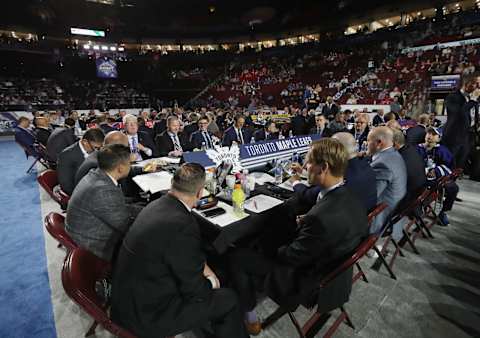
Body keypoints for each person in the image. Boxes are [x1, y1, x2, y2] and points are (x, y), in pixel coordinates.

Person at [229, 139, 368, 335]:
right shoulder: (351, 197)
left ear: (324, 167)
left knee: (238, 256)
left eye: (309, 162)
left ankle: (249, 315)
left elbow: (288, 256)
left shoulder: (321, 218)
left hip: (303, 282)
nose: (305, 167)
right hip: (334, 272)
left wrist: (273, 244)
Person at [111, 163, 248, 338]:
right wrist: (212, 283)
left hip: (130, 296)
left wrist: (203, 267)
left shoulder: (157, 205)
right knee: (228, 299)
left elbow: (178, 255)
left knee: (214, 272)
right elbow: (195, 291)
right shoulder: (183, 225)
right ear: (200, 193)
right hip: (147, 315)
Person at [65, 144, 142, 261]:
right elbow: (126, 226)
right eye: (129, 164)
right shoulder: (103, 189)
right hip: (94, 246)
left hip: (83, 231)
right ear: (120, 168)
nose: (130, 167)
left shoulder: (95, 174)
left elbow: (118, 205)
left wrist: (145, 208)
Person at [290, 133, 377, 212]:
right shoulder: (364, 163)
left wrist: (295, 182)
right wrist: (304, 172)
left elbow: (310, 196)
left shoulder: (343, 173)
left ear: (337, 150)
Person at [367, 127, 407, 240]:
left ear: (379, 143)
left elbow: (370, 196)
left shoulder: (382, 164)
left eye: (368, 140)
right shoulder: (393, 154)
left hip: (379, 219)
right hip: (393, 209)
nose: (366, 143)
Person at [416, 127, 459, 226]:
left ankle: (442, 211)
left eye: (433, 134)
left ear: (439, 138)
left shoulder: (443, 151)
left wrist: (437, 171)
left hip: (437, 181)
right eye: (428, 133)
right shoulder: (417, 148)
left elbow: (450, 167)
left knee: (453, 188)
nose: (429, 136)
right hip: (420, 179)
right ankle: (417, 209)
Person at [57, 128, 105, 196]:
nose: (98, 151)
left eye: (100, 148)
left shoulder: (93, 150)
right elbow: (66, 186)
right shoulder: (66, 156)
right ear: (85, 142)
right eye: (96, 148)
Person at [443, 74, 477, 168]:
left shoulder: (473, 99)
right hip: (454, 135)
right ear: (467, 84)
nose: (477, 87)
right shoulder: (452, 97)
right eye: (475, 84)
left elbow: (473, 115)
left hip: (468, 134)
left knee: (461, 161)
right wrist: (472, 101)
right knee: (449, 162)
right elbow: (458, 113)